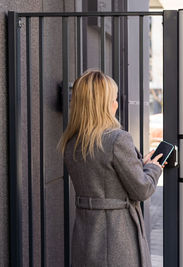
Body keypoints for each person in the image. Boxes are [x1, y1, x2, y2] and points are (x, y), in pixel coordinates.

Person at [57, 69, 166, 266]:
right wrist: (154, 168)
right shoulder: (117, 139)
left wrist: (139, 164)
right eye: (113, 100)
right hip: (117, 237)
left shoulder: (71, 142)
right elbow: (142, 189)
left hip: (86, 236)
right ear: (102, 106)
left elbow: (103, 173)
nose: (116, 104)